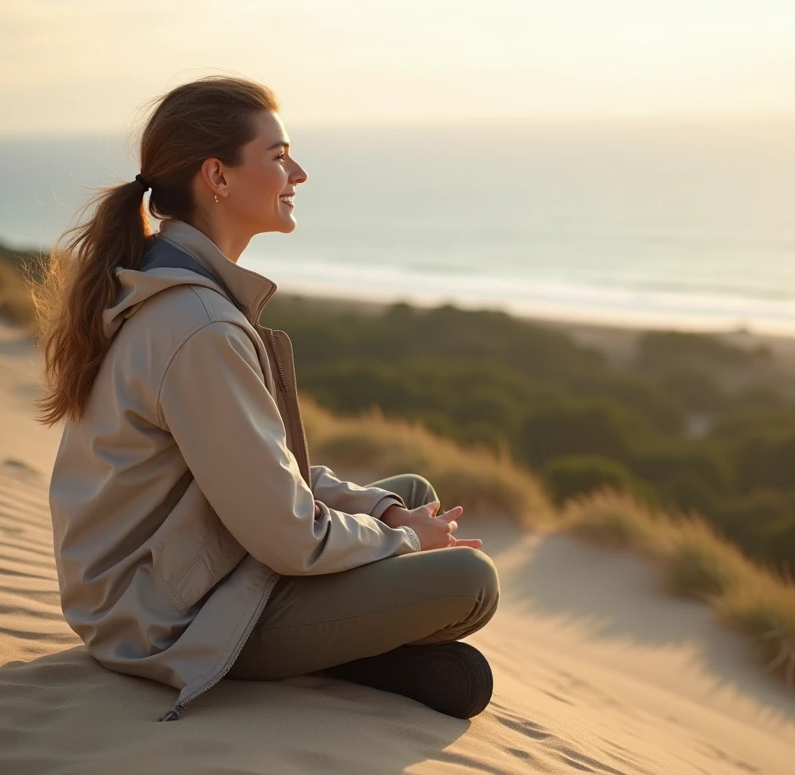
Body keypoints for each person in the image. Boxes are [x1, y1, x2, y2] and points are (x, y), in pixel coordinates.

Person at [35, 75, 500, 723]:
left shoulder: (175, 286)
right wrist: (408, 545)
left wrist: (390, 518)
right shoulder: (199, 325)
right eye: (278, 157)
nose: (299, 172)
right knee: (469, 584)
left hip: (193, 570)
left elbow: (266, 475)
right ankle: (348, 652)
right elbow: (287, 534)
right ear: (217, 178)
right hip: (167, 618)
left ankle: (359, 642)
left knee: (410, 496)